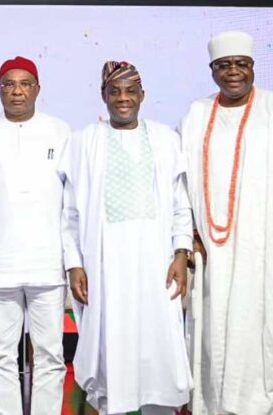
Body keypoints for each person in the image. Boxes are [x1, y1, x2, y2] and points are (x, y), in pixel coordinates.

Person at [180, 31, 273, 413]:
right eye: (224, 65)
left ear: (253, 68)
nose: (234, 72)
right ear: (212, 70)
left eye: (241, 65)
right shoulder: (196, 116)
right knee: (218, 343)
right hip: (217, 258)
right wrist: (191, 235)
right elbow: (181, 185)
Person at [59, 60, 193, 415]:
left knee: (159, 351)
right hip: (105, 268)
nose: (123, 98)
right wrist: (74, 263)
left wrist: (181, 252)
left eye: (130, 91)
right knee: (110, 352)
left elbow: (181, 205)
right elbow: (70, 213)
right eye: (114, 91)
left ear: (142, 95)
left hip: (156, 265)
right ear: (103, 95)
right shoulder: (84, 142)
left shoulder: (166, 140)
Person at [0, 56, 68, 415]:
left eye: (25, 83)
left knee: (51, 355)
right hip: (0, 262)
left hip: (48, 262)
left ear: (37, 88)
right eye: (9, 84)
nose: (17, 91)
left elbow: (71, 202)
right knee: (2, 356)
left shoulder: (60, 131)